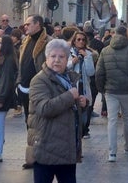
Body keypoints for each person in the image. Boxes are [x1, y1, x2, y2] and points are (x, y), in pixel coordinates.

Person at [25, 39, 87, 182]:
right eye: (53, 56)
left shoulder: (68, 78)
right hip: (46, 148)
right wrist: (70, 96)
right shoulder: (39, 80)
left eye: (61, 57)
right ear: (47, 58)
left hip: (67, 149)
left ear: (67, 59)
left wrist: (81, 103)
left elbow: (70, 109)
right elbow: (45, 108)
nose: (57, 60)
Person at [95, 26, 128, 162]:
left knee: (112, 120)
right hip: (127, 90)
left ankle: (112, 153)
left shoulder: (105, 50)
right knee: (127, 120)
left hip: (110, 90)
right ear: (126, 36)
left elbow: (99, 72)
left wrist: (101, 89)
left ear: (114, 34)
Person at [16, 14, 51, 127]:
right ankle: (31, 142)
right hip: (24, 87)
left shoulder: (48, 42)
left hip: (40, 87)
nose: (25, 26)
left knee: (39, 119)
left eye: (28, 24)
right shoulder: (26, 41)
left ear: (37, 24)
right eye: (25, 24)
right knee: (29, 119)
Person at [67, 30, 96, 139]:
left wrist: (87, 58)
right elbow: (64, 68)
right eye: (78, 39)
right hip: (72, 87)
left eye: (83, 40)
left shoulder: (88, 54)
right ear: (74, 41)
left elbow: (91, 72)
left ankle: (82, 131)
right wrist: (72, 62)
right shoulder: (68, 52)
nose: (81, 42)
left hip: (84, 87)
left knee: (84, 115)